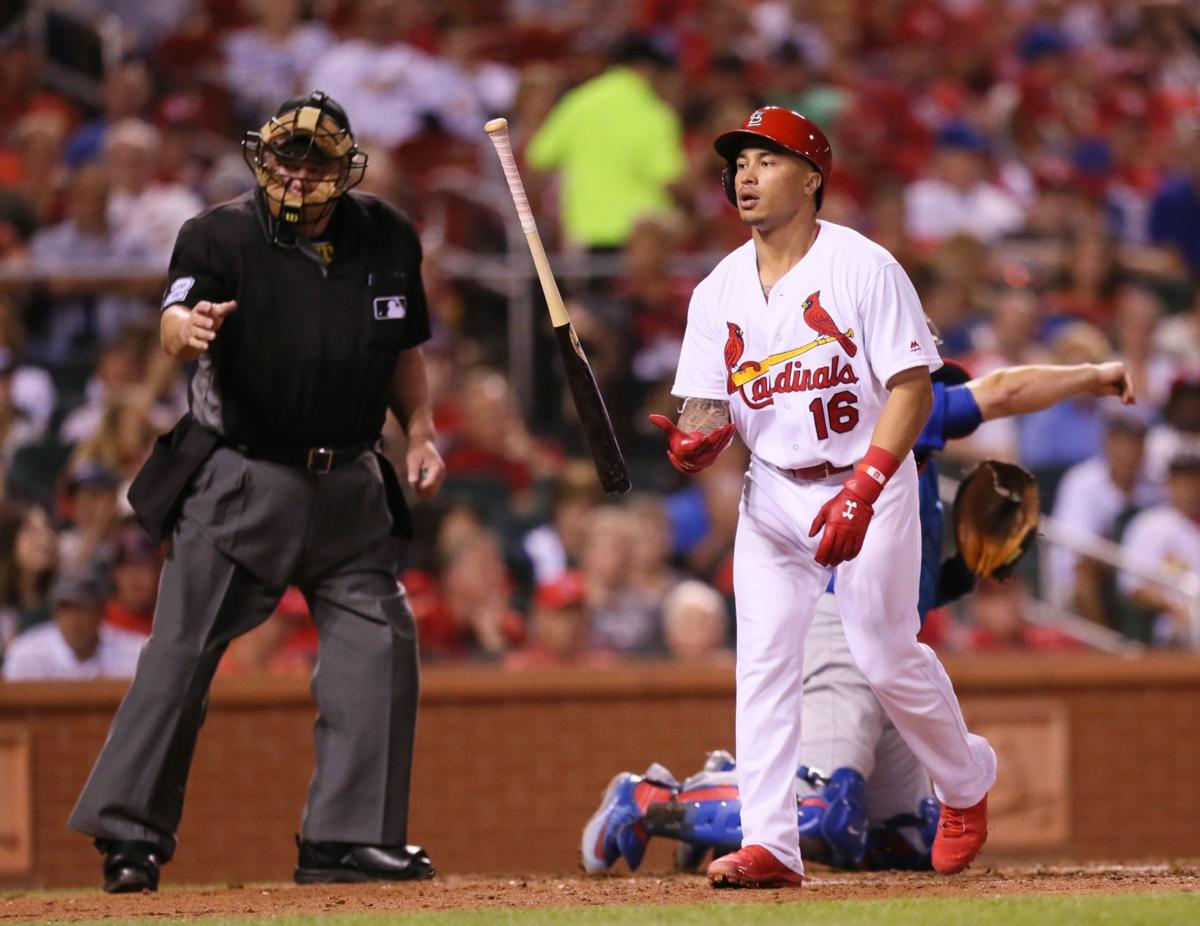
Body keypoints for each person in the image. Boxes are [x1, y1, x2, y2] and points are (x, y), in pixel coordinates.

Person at [67, 91, 446, 894]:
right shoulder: (217, 234)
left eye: (316, 159)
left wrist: (420, 431)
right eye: (287, 156)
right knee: (179, 655)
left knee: (380, 647)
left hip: (350, 483)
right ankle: (128, 837)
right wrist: (187, 329)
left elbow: (402, 348)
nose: (299, 172)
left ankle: (347, 839)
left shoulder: (388, 234)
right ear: (262, 158)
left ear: (346, 167)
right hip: (244, 479)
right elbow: (173, 316)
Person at [584, 356, 1135, 876]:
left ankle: (726, 803)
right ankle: (652, 800)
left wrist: (955, 580)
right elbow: (1004, 389)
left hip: (884, 655)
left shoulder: (915, 478)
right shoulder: (888, 411)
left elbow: (893, 594)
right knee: (821, 811)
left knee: (909, 840)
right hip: (832, 628)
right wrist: (1091, 374)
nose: (937, 389)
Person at [646, 105, 1001, 889]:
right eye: (738, 161)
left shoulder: (864, 267)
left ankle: (967, 783)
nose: (744, 173)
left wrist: (866, 492)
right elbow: (707, 406)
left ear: (812, 177)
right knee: (764, 662)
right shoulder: (717, 291)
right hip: (773, 492)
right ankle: (773, 843)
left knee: (883, 652)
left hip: (865, 478)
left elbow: (912, 389)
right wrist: (695, 438)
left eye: (766, 160)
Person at [2, 571, 144, 681]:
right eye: (66, 609)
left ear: (100, 613)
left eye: (82, 609)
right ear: (55, 613)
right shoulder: (26, 654)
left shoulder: (135, 654)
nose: (74, 620)